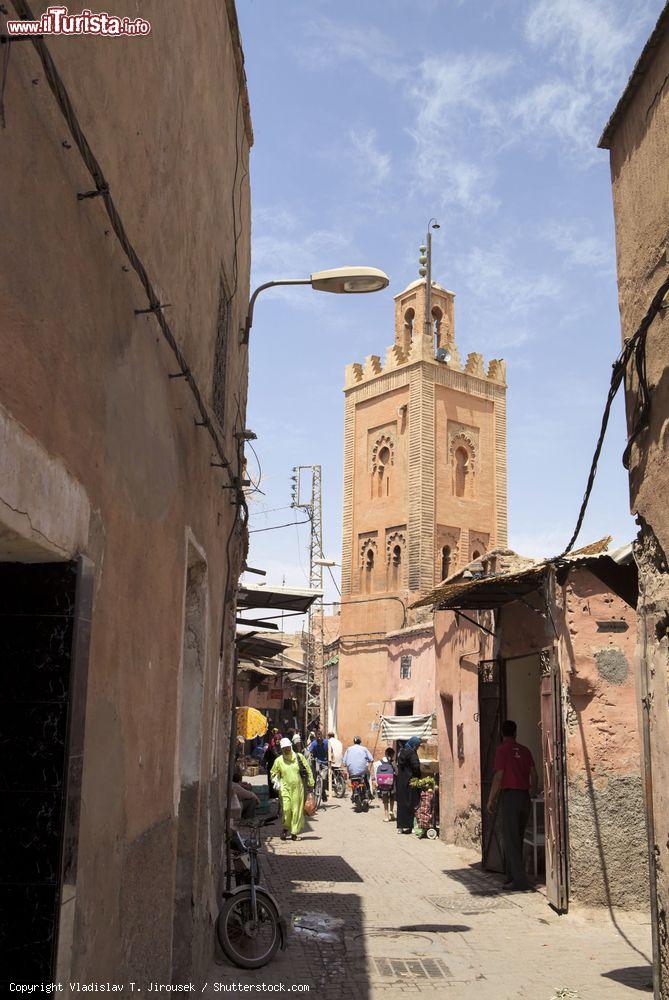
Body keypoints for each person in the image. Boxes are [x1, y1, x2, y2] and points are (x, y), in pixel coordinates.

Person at [487, 720, 538, 891]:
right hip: (524, 797)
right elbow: (534, 775)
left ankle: (518, 880)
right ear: (515, 732)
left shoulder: (502, 750)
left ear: (502, 733)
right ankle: (512, 876)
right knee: (518, 837)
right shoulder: (525, 750)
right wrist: (530, 794)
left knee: (511, 840)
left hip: (510, 796)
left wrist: (491, 799)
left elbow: (499, 776)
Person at [270, 737, 314, 841]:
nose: (287, 749)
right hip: (285, 788)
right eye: (284, 748)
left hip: (298, 788)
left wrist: (311, 783)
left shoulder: (299, 757)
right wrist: (276, 781)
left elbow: (308, 770)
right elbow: (273, 773)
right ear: (282, 749)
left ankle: (294, 832)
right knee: (286, 809)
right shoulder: (279, 761)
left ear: (291, 746)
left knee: (296, 810)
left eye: (288, 747)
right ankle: (286, 828)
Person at [396, 737, 422, 833]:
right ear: (414, 745)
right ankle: (411, 825)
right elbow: (416, 766)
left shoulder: (401, 752)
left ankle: (400, 827)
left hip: (401, 782)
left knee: (402, 803)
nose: (418, 747)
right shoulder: (412, 753)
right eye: (418, 746)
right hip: (411, 782)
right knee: (412, 803)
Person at [373, 747, 396, 822]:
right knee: (392, 797)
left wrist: (377, 784)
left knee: (385, 800)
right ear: (392, 755)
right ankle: (391, 811)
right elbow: (398, 772)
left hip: (383, 785)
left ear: (385, 753)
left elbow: (376, 774)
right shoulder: (393, 763)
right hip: (392, 784)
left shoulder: (379, 762)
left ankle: (386, 817)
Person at [308, 732, 330, 802]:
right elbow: (309, 752)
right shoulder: (314, 743)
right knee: (315, 776)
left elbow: (331, 752)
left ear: (322, 737)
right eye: (318, 738)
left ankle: (323, 794)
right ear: (316, 738)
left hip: (325, 762)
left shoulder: (327, 742)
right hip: (317, 761)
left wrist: (331, 758)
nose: (319, 739)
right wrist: (310, 756)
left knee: (323, 778)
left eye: (320, 738)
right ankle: (317, 791)